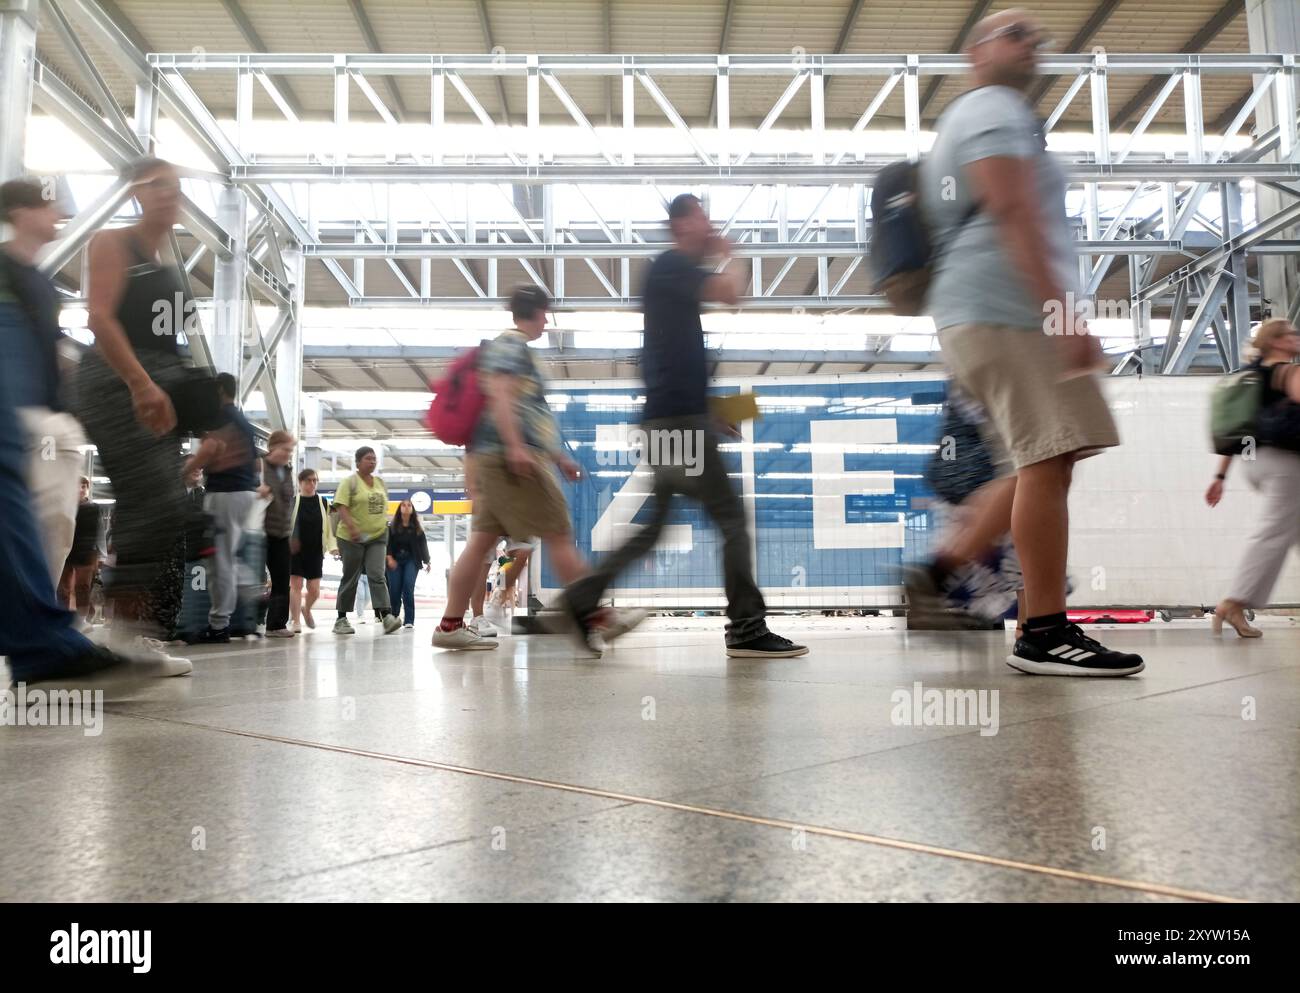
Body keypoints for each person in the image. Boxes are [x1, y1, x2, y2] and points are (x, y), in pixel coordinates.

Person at [915, 8, 1142, 676]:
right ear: (977, 52)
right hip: (1008, 308)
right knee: (1047, 456)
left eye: (1036, 37)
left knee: (1046, 457)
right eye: (1016, 33)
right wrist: (1062, 310)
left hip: (987, 310)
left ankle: (984, 592)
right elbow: (1013, 208)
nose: (1033, 43)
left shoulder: (981, 114)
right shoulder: (992, 107)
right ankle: (1042, 629)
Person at [562, 197, 806, 659]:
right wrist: (729, 251)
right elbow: (732, 293)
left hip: (673, 419)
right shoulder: (672, 265)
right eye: (701, 216)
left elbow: (673, 359)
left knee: (652, 529)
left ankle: (580, 599)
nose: (710, 224)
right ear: (680, 224)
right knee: (732, 519)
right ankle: (747, 628)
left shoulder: (669, 277)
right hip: (677, 422)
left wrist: (711, 412)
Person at [433, 286, 645, 654]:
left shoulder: (508, 347)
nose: (547, 320)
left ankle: (450, 626)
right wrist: (517, 446)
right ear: (537, 312)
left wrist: (558, 456)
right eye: (545, 313)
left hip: (500, 456)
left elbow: (528, 409)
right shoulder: (511, 346)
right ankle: (597, 617)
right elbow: (501, 394)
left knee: (481, 542)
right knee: (558, 533)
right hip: (512, 458)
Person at [76, 157, 196, 670]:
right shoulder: (112, 242)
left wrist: (204, 423)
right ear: (137, 193)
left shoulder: (170, 264)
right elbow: (99, 317)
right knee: (152, 502)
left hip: (157, 388)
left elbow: (174, 345)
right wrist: (141, 384)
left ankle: (129, 633)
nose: (170, 194)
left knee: (166, 506)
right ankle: (121, 637)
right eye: (158, 186)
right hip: (116, 382)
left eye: (176, 186)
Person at [0, 178, 86, 586]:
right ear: (21, 213)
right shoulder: (4, 268)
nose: (59, 214)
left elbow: (53, 346)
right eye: (49, 206)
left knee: (52, 527)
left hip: (49, 420)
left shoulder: (42, 282)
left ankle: (33, 627)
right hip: (19, 417)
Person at [1206, 319, 1300, 638]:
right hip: (1284, 462)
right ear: (1276, 341)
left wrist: (1220, 476)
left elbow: (1237, 431)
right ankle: (1233, 601)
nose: (1295, 338)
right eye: (1290, 335)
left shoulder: (1248, 376)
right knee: (1272, 532)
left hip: (1254, 462)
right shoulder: (1287, 372)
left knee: (1291, 530)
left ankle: (1236, 603)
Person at [187, 372, 259, 644]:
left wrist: (186, 470)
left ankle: (219, 625)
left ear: (219, 390)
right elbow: (255, 462)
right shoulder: (240, 419)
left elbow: (210, 448)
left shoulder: (223, 416)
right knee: (223, 556)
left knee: (220, 561)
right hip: (241, 493)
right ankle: (245, 586)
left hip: (225, 493)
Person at [333, 446, 402, 635]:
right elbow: (341, 506)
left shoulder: (380, 482)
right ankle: (341, 619)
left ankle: (386, 615)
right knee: (351, 576)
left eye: (374, 459)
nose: (372, 462)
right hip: (351, 537)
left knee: (377, 575)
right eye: (368, 459)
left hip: (378, 536)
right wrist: (353, 527)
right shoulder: (349, 482)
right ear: (357, 462)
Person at [290, 467, 335, 632]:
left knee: (314, 590)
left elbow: (330, 527)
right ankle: (295, 621)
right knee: (296, 585)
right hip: (295, 550)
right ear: (300, 483)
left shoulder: (323, 503)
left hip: (315, 550)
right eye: (308, 480)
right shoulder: (293, 502)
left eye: (314, 480)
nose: (312, 484)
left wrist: (333, 546)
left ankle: (306, 609)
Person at [262, 430, 297, 638]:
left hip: (281, 533)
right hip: (259, 531)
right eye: (285, 449)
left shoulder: (287, 470)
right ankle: (242, 622)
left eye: (290, 450)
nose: (288, 454)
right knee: (252, 579)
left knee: (282, 579)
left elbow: (288, 502)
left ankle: (276, 624)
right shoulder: (259, 466)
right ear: (272, 447)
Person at [58, 476, 102, 624]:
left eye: (84, 486)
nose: (81, 489)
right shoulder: (65, 507)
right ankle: (62, 617)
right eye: (78, 486)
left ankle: (83, 619)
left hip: (86, 552)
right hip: (66, 550)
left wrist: (99, 555)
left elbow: (99, 532)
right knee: (63, 588)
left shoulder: (94, 508)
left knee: (82, 588)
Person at [386, 499, 431, 629]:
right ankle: (394, 617)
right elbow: (387, 545)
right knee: (394, 590)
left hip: (412, 560)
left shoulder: (417, 529)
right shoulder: (392, 527)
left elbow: (423, 546)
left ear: (412, 509)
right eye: (403, 505)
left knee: (408, 588)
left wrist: (427, 561)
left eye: (409, 505)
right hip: (395, 560)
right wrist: (389, 558)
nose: (406, 507)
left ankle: (409, 620)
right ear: (399, 509)